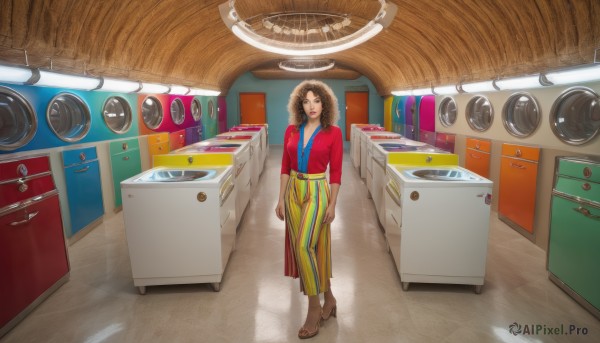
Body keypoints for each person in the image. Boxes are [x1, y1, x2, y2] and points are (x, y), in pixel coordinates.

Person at [275, 80, 343, 339]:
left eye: (316, 100)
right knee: (310, 249)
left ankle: (314, 309)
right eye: (306, 101)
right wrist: (280, 198)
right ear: (299, 104)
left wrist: (333, 203)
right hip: (293, 189)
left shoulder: (333, 132)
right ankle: (330, 299)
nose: (311, 106)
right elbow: (283, 166)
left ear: (324, 104)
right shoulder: (292, 130)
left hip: (317, 191)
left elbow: (335, 172)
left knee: (305, 246)